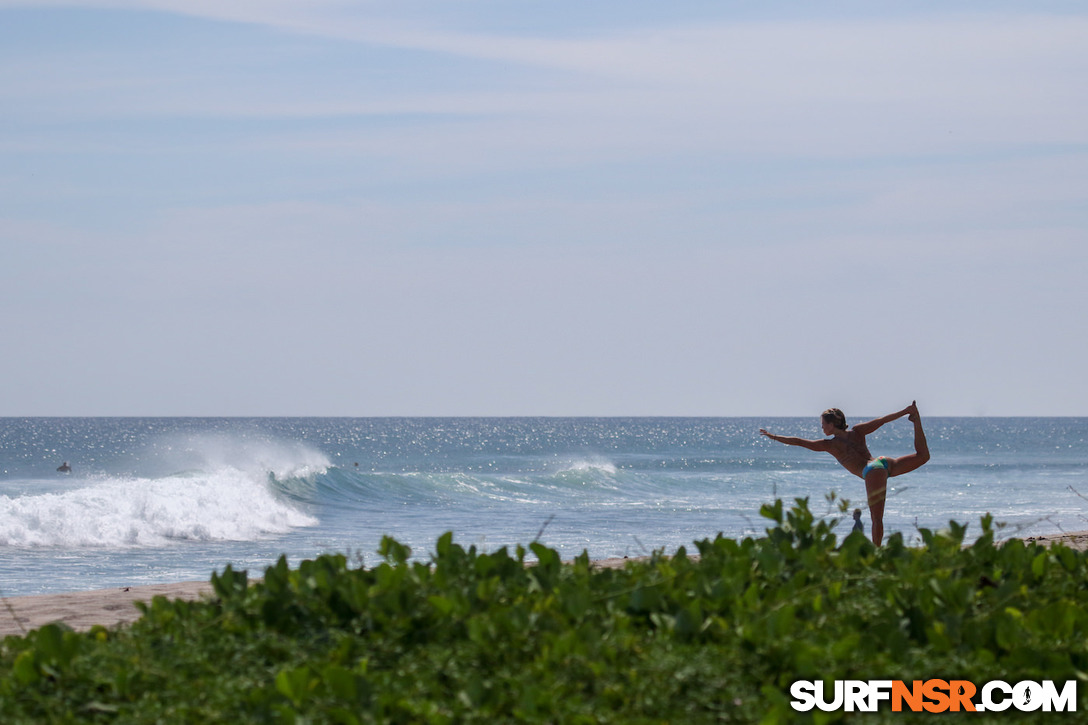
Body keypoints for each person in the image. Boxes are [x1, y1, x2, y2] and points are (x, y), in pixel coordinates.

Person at [760, 401, 930, 545]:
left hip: (872, 471)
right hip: (883, 462)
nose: (822, 427)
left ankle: (877, 553)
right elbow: (882, 421)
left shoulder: (829, 445)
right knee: (923, 456)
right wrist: (906, 411)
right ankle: (915, 419)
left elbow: (799, 442)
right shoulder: (857, 431)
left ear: (831, 424)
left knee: (876, 518)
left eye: (823, 424)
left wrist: (774, 436)